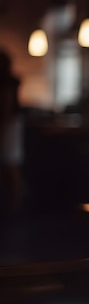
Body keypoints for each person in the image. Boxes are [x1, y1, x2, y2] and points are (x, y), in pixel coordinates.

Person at [0, 49, 23, 215]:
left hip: (9, 125)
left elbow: (6, 108)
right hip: (11, 124)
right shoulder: (10, 81)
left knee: (10, 164)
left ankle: (14, 205)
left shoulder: (7, 82)